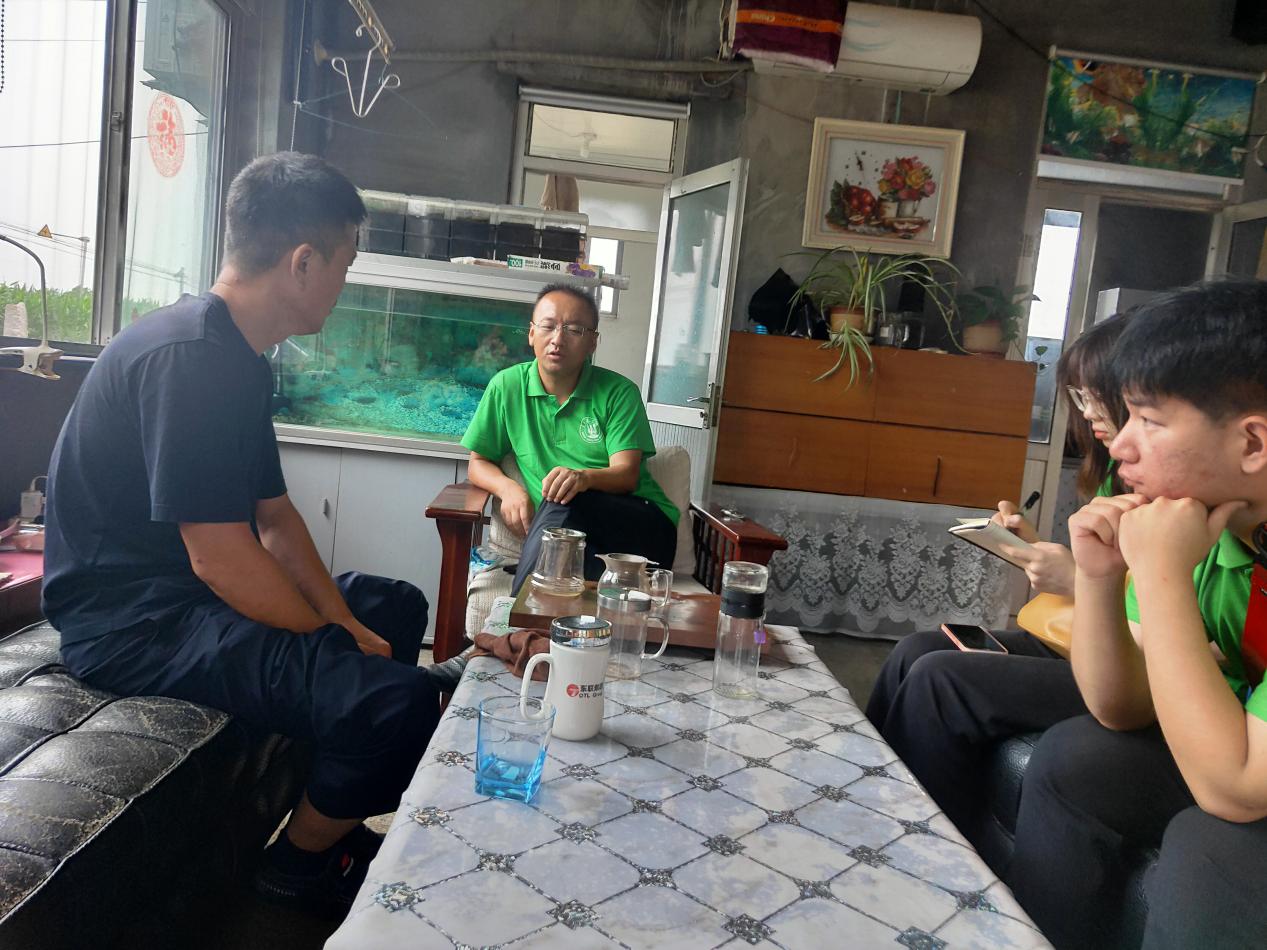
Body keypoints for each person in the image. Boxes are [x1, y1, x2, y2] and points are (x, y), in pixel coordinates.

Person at [42, 152, 460, 918]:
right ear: (302, 263)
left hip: (185, 598)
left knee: (392, 606)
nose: (344, 285)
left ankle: (331, 801)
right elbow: (220, 557)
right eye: (344, 265)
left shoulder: (238, 360)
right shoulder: (188, 358)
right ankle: (295, 868)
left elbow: (275, 518)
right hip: (129, 625)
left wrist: (343, 622)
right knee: (396, 704)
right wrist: (333, 644)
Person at [1006, 279, 1267, 949]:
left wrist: (1157, 575)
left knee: (1212, 846)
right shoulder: (1217, 525)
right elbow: (1118, 708)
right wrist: (1100, 574)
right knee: (1078, 757)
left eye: (1148, 420)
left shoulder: (1189, 537)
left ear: (1252, 444)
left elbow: (1237, 790)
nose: (1120, 446)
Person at [864, 313, 1130, 856]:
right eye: (1079, 397)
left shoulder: (1180, 497)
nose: (1087, 413)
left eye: (1096, 396)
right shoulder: (1117, 473)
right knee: (916, 648)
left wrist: (1078, 579)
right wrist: (1031, 548)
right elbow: (1115, 575)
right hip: (1076, 640)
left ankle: (913, 846)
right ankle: (864, 792)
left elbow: (1153, 608)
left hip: (1119, 662)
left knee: (942, 677)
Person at [461, 284, 678, 593]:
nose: (558, 339)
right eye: (548, 326)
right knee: (564, 564)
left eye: (574, 330)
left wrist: (582, 478)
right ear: (531, 333)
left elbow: (627, 475)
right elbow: (478, 462)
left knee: (564, 497)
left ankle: (517, 613)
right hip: (572, 539)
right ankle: (541, 612)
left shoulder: (618, 393)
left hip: (640, 528)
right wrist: (508, 489)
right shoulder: (506, 387)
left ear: (592, 342)